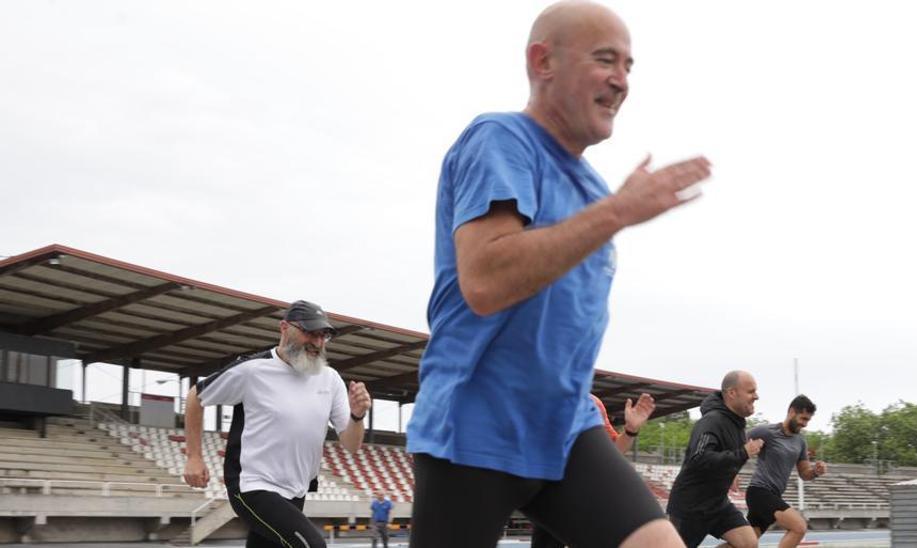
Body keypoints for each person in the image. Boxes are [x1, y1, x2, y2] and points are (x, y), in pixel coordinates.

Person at [404, 1, 712, 546]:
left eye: (629, 66)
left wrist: (610, 209)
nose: (621, 81)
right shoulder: (501, 139)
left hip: (566, 427)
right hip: (475, 428)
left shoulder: (594, 190)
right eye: (605, 60)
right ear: (543, 61)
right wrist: (618, 212)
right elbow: (485, 282)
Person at [182, 299, 371, 548]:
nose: (317, 342)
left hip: (296, 491)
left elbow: (351, 444)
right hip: (252, 486)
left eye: (323, 335)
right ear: (284, 328)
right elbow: (196, 396)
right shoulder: (252, 370)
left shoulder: (330, 379)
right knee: (311, 545)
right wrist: (194, 457)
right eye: (309, 333)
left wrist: (357, 416)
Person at [530, 393, 656, 548]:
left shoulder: (592, 403)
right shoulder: (540, 394)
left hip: (585, 491)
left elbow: (613, 449)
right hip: (548, 490)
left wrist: (631, 430)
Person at [666, 371, 762, 548]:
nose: (756, 396)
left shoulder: (738, 425)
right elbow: (699, 458)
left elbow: (725, 456)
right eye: (751, 391)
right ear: (732, 393)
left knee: (748, 543)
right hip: (690, 507)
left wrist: (732, 471)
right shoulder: (711, 421)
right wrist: (742, 453)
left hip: (717, 505)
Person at [745, 395, 828, 548]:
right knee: (799, 527)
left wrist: (816, 471)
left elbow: (804, 473)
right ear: (791, 412)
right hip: (759, 492)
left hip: (773, 495)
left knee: (745, 544)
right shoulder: (767, 431)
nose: (804, 424)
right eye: (802, 418)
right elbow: (737, 440)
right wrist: (732, 470)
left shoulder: (800, 442)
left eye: (807, 420)